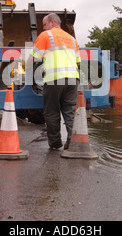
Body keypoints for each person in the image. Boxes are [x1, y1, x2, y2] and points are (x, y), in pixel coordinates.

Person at [26, 13, 81, 150]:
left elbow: (33, 58)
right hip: (73, 79)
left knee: (51, 111)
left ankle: (55, 142)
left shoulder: (46, 35)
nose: (43, 28)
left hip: (54, 79)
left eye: (44, 25)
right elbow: (78, 61)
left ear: (51, 22)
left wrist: (23, 70)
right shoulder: (72, 39)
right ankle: (72, 141)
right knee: (69, 111)